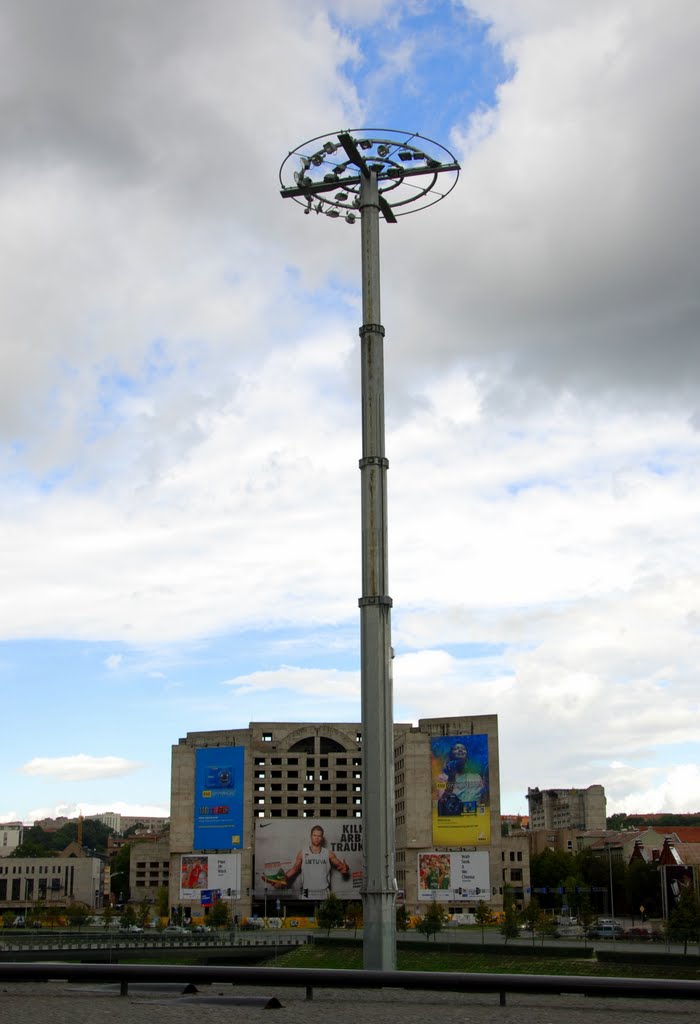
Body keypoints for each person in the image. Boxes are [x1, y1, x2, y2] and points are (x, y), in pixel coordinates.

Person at [264, 825, 349, 898]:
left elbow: (342, 867)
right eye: (314, 835)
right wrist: (281, 880)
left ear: (322, 837)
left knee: (325, 916)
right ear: (311, 836)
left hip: (324, 892)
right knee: (308, 916)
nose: (316, 838)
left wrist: (345, 869)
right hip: (307, 892)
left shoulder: (328, 854)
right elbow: (294, 870)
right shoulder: (302, 853)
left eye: (319, 836)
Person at [437, 741, 486, 816]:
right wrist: (451, 778)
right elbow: (443, 800)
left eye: (463, 749)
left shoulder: (476, 777)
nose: (460, 750)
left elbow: (482, 800)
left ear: (467, 756)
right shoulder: (442, 777)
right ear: (451, 755)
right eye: (456, 748)